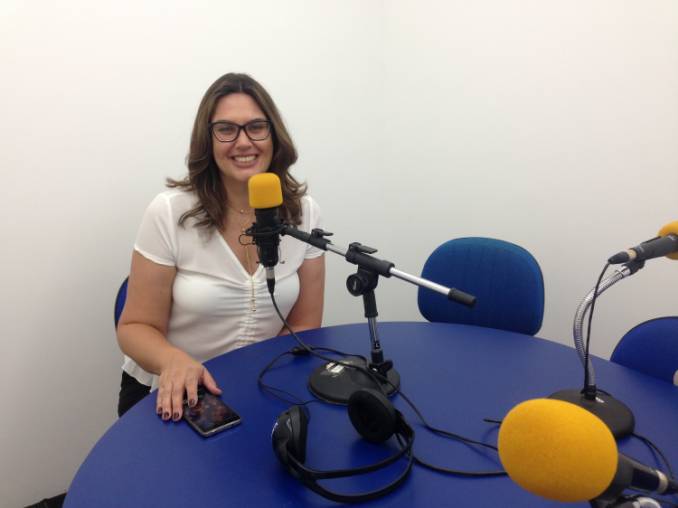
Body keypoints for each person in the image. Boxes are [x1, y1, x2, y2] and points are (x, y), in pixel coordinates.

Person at [116, 73, 325, 421]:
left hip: (260, 386)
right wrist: (173, 360)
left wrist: (266, 380)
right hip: (175, 392)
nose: (243, 142)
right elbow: (134, 327)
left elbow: (304, 325)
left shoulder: (304, 213)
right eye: (226, 129)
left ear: (274, 135)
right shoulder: (169, 212)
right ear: (207, 140)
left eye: (256, 127)